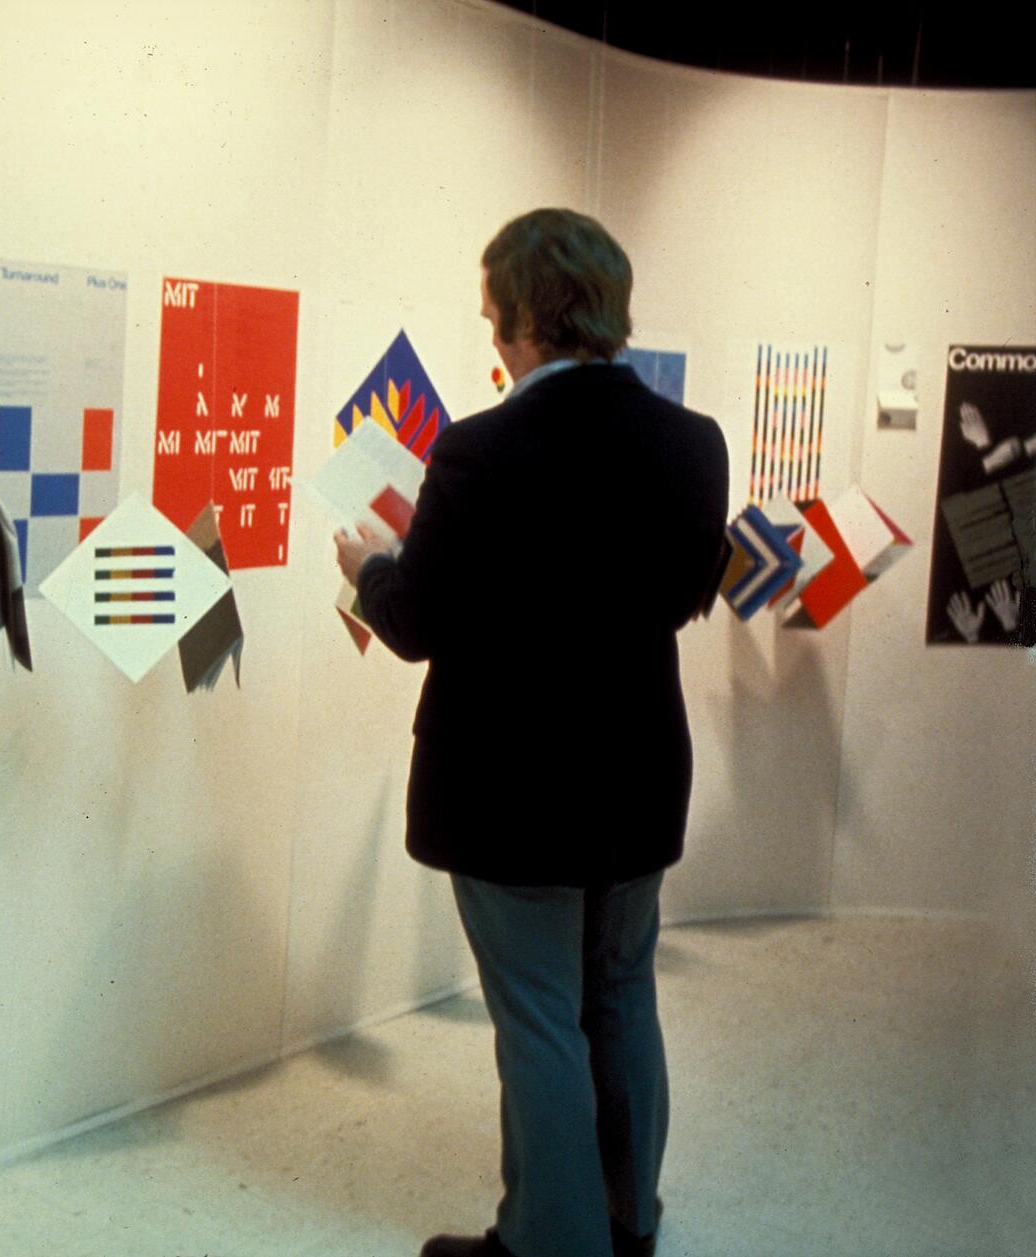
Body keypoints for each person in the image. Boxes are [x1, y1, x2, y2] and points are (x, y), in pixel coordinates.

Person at [333, 208, 729, 1257]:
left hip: (509, 791)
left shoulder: (480, 450)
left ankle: (550, 1244)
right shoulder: (692, 445)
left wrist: (371, 565)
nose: (491, 338)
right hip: (638, 779)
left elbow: (414, 622)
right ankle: (624, 1219)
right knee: (620, 995)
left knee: (541, 1018)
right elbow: (683, 593)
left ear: (521, 319)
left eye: (492, 317)